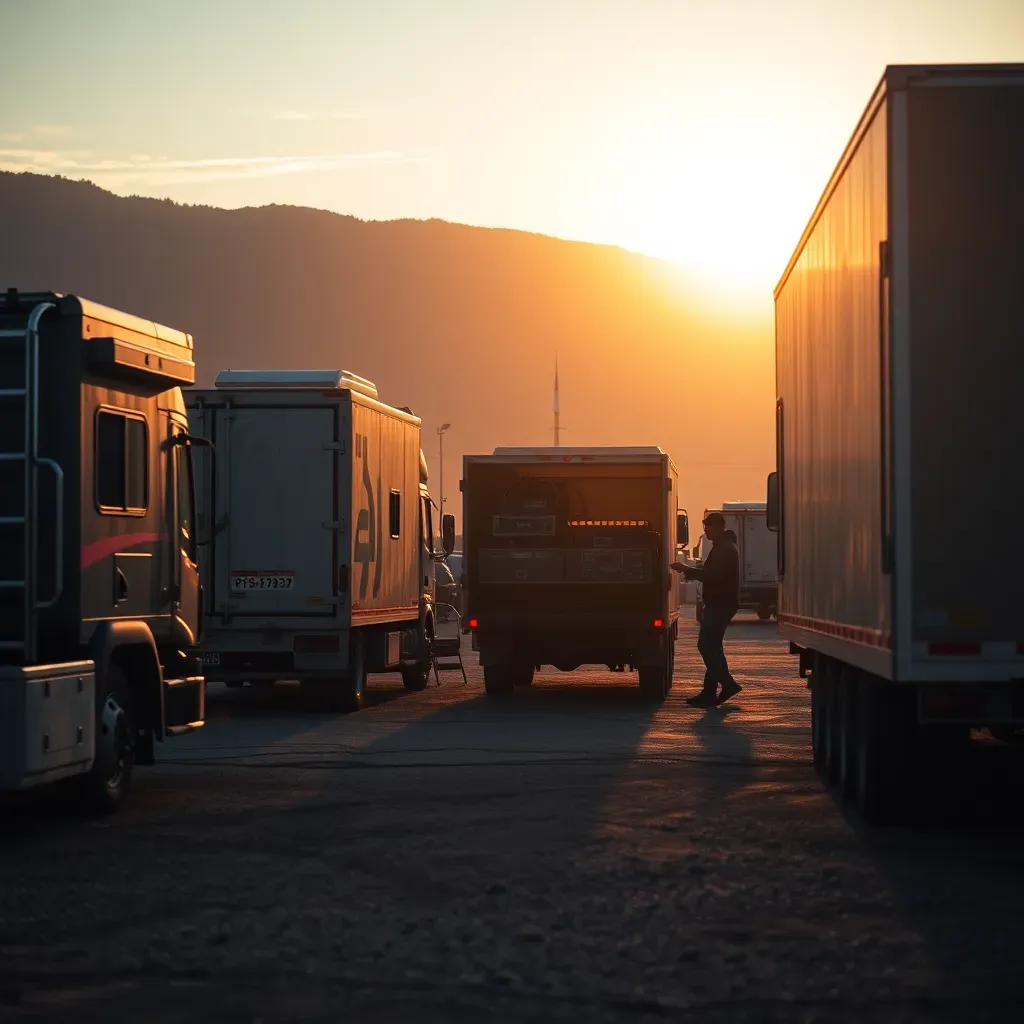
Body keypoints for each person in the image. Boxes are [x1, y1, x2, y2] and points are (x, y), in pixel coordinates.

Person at [671, 513, 742, 707]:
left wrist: (687, 569)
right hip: (723, 603)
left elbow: (712, 575)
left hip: (720, 604)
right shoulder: (725, 547)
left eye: (708, 527)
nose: (705, 531)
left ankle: (728, 684)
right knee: (714, 647)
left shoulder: (724, 549)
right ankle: (710, 692)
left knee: (706, 646)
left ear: (718, 527)